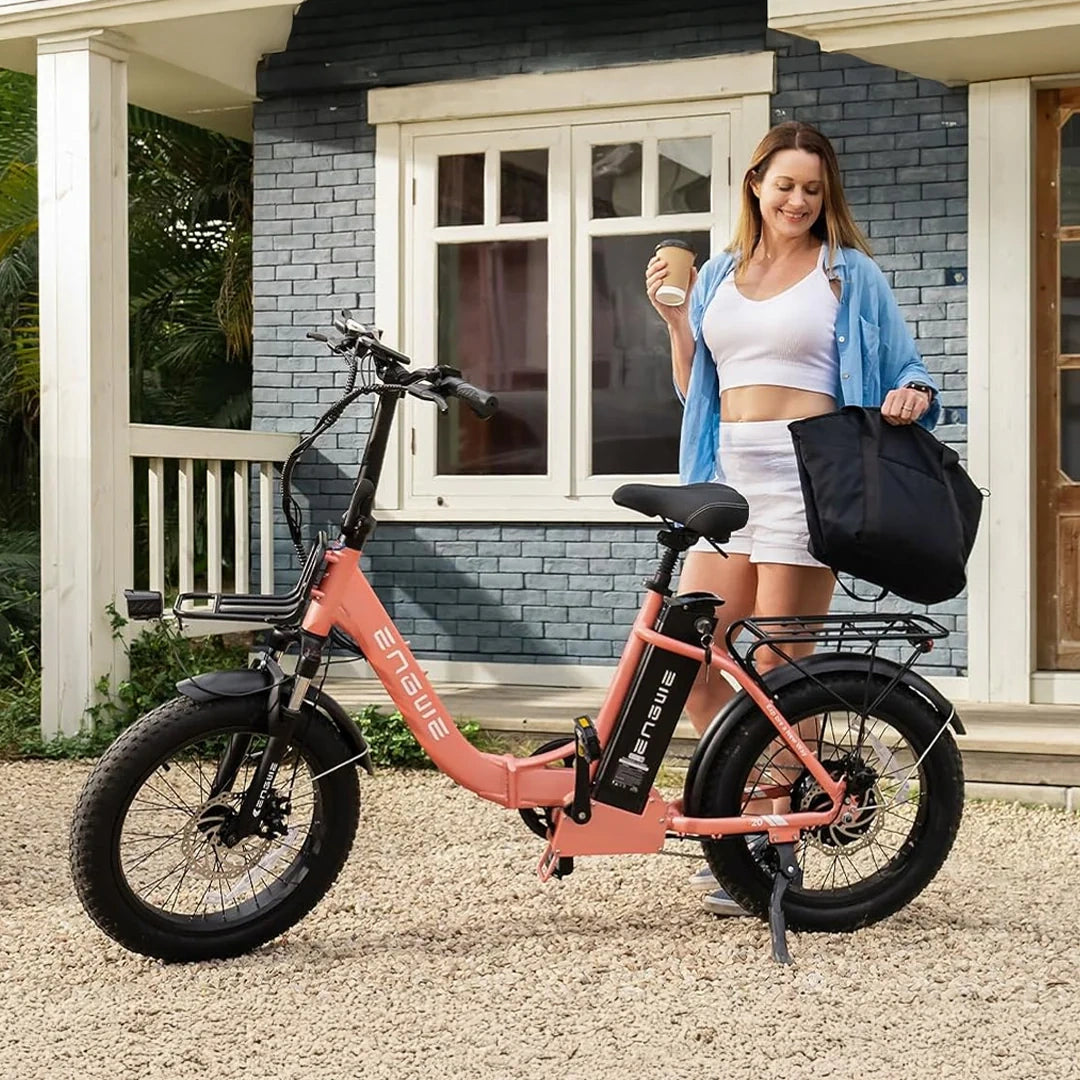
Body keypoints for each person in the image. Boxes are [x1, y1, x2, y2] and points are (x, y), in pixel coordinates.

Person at [644, 121, 941, 916]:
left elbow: (910, 370)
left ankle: (772, 844)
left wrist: (913, 395)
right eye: (785, 185)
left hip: (811, 483)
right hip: (726, 482)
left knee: (781, 673)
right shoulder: (718, 276)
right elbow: (695, 390)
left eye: (812, 188)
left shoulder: (849, 276)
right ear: (756, 185)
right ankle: (754, 817)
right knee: (696, 656)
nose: (798, 200)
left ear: (825, 194)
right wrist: (677, 323)